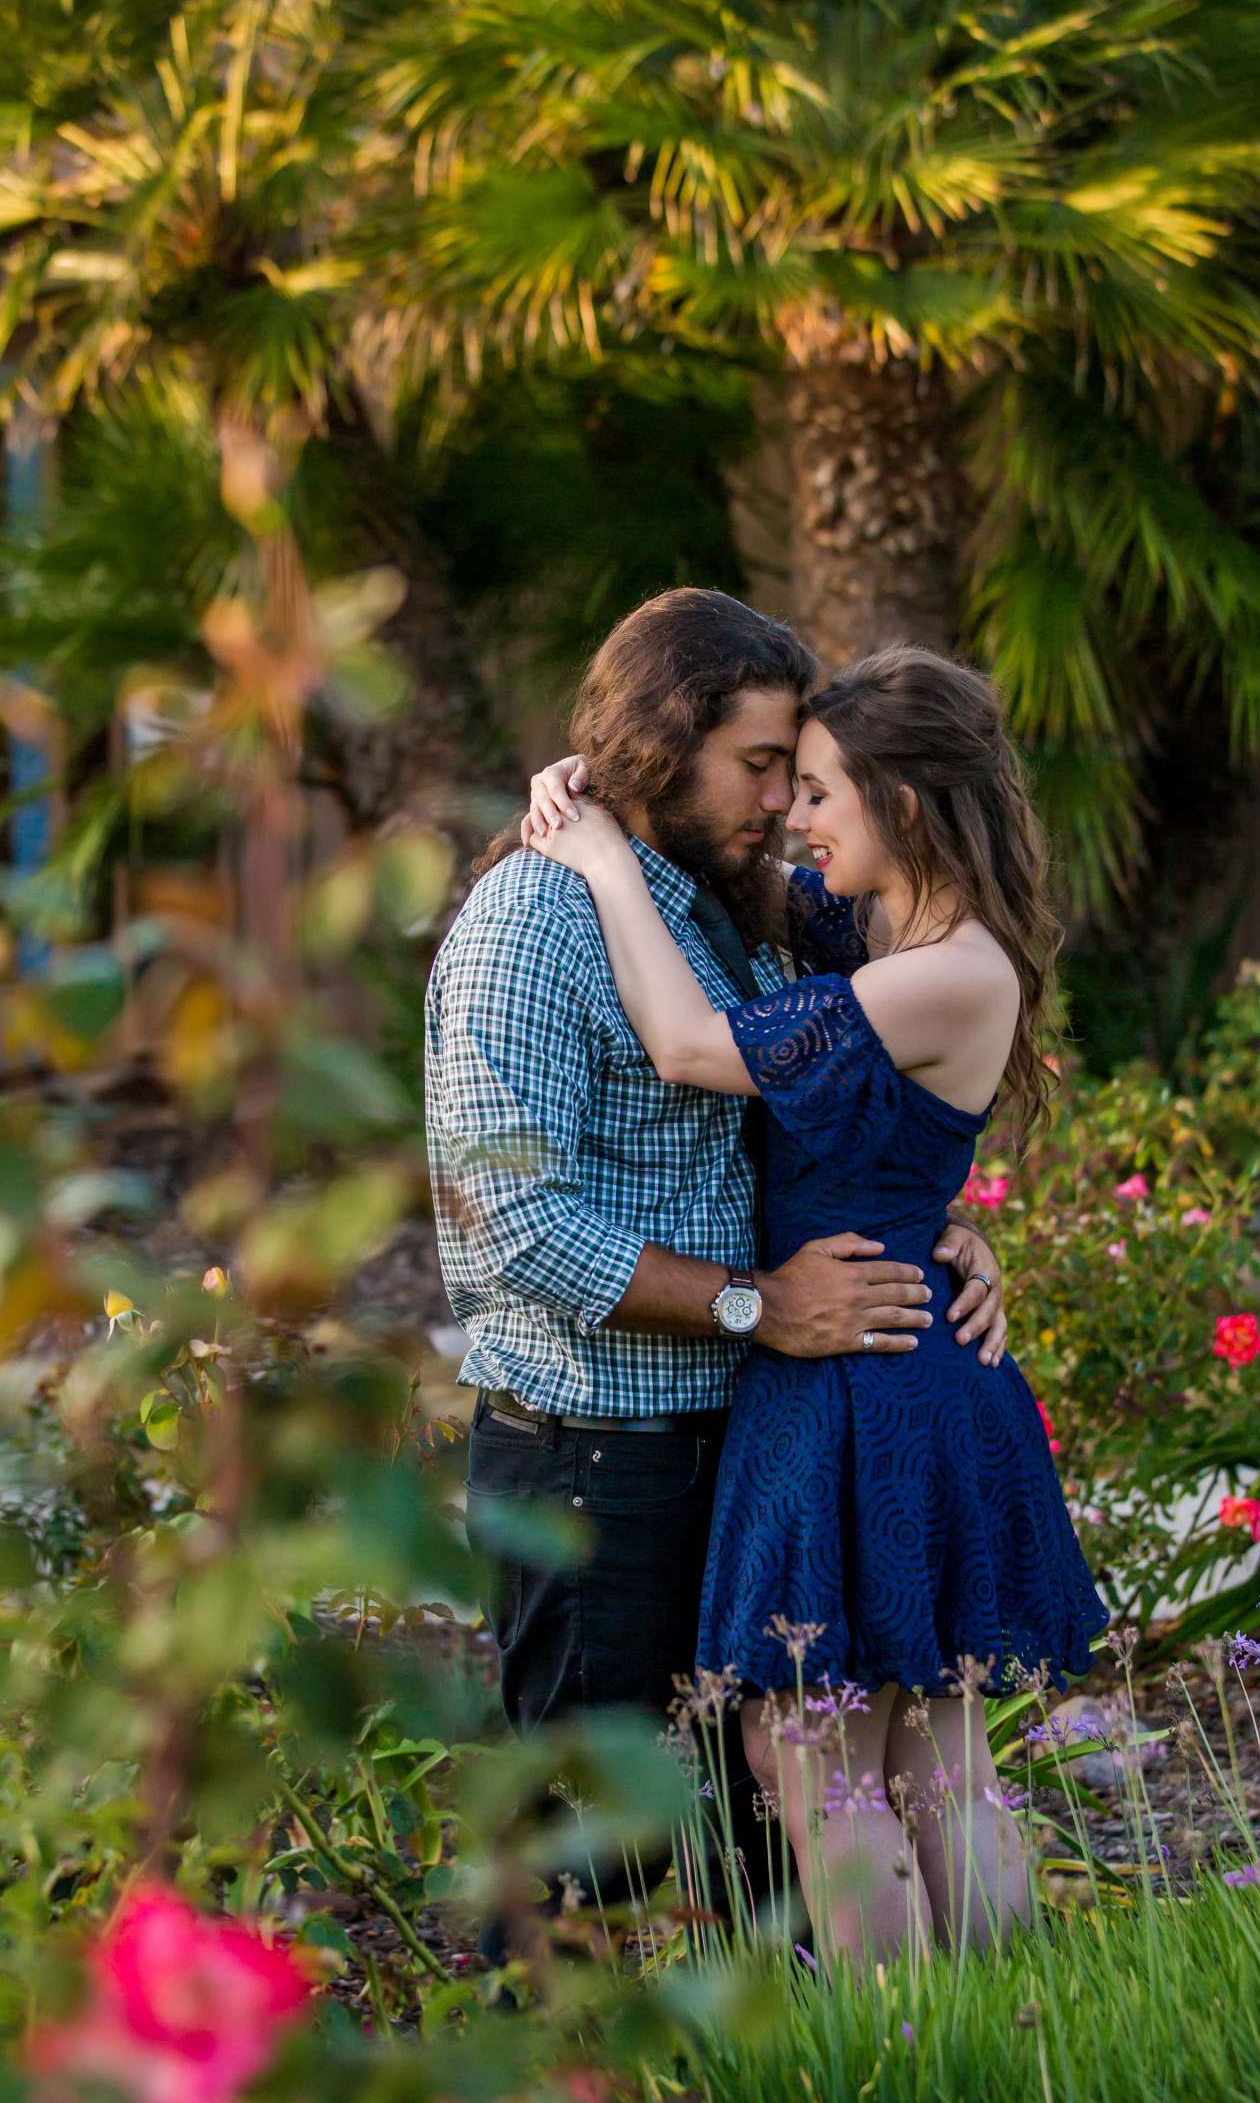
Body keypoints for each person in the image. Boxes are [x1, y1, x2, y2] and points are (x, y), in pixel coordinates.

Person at [423, 590, 1006, 1941]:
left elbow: (895, 1066)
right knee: (592, 1866)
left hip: (747, 1440)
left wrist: (947, 1230)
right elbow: (511, 1231)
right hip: (594, 1465)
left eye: (798, 777)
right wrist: (759, 1305)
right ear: (655, 747)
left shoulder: (744, 915)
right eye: (759, 767)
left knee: (779, 1846)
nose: (783, 803)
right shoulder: (532, 923)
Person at [524, 642, 1108, 1962]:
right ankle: (1012, 2054)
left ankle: (906, 2066)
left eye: (827, 790)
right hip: (887, 1340)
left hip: (861, 1371)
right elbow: (753, 884)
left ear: (907, 802)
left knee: (812, 1742)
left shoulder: (953, 968)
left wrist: (605, 863)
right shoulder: (883, 926)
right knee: (919, 1748)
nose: (798, 814)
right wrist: (606, 786)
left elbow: (689, 1046)